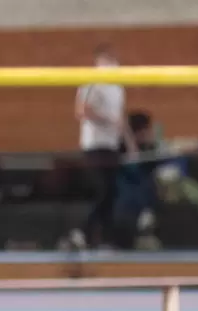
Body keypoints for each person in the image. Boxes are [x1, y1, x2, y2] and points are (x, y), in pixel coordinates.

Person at [66, 43, 136, 249]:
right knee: (102, 191)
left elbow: (120, 118)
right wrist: (107, 120)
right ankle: (81, 232)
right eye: (108, 60)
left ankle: (104, 239)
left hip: (111, 145)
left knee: (112, 193)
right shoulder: (92, 82)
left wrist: (130, 143)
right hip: (94, 145)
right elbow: (81, 110)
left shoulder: (118, 87)